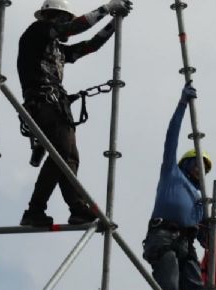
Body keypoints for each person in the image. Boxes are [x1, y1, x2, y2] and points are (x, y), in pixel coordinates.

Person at [17, 0, 133, 227]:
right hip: (43, 103)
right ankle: (35, 209)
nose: (67, 24)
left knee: (70, 157)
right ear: (54, 17)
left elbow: (90, 46)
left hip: (57, 106)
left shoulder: (57, 49)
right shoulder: (37, 31)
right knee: (61, 152)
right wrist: (107, 8)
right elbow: (74, 28)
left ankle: (77, 209)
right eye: (65, 19)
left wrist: (114, 23)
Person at [142, 85, 210, 290]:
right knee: (169, 283)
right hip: (163, 236)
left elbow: (205, 239)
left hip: (186, 243)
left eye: (204, 169)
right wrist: (182, 104)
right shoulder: (171, 173)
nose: (200, 171)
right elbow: (172, 135)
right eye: (198, 164)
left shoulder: (199, 199)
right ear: (186, 163)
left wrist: (208, 231)